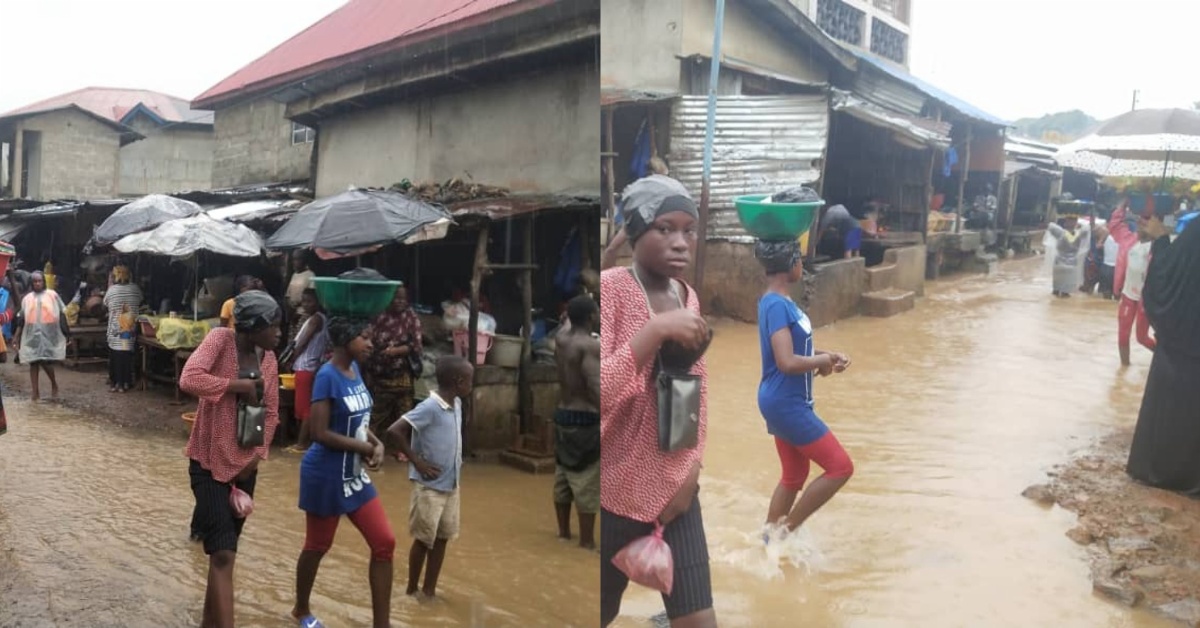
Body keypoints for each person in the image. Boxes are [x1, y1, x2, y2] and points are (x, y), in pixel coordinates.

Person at [600, 175, 715, 628]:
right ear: (634, 231)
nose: (680, 242)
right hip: (614, 491)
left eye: (689, 230)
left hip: (676, 491)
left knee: (699, 620)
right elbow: (601, 391)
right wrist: (655, 332)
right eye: (665, 228)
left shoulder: (688, 296)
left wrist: (693, 470)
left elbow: (699, 391)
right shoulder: (613, 289)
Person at [180, 290, 282, 628]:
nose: (279, 333)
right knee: (222, 553)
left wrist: (259, 453)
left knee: (225, 556)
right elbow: (190, 378)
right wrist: (236, 385)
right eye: (274, 326)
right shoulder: (220, 340)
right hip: (208, 465)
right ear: (252, 327)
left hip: (245, 469)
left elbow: (271, 414)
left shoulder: (269, 358)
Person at [293, 316, 395, 628]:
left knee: (385, 542)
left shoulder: (355, 371)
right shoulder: (326, 376)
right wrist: (364, 449)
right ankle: (301, 610)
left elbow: (362, 421)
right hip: (325, 475)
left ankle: (382, 624)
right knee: (317, 546)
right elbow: (319, 433)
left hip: (353, 476)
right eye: (364, 337)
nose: (370, 343)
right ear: (345, 340)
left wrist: (376, 444)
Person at [754, 240, 854, 539]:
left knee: (795, 475)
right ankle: (785, 534)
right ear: (791, 265)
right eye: (800, 259)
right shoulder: (774, 304)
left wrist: (826, 357)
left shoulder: (782, 303)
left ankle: (768, 541)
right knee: (840, 467)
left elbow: (798, 351)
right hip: (786, 402)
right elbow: (785, 361)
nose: (802, 265)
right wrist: (820, 360)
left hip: (787, 399)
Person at [387, 355, 473, 599]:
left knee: (443, 537)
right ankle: (412, 589)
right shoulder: (430, 407)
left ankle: (430, 590)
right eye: (469, 381)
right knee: (424, 540)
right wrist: (418, 462)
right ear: (458, 381)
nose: (471, 386)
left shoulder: (456, 404)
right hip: (429, 487)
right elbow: (395, 431)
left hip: (451, 484)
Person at [1126, 212, 1200, 493]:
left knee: (1169, 416)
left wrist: (1160, 240)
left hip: (1179, 349)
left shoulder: (1196, 231)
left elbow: (1166, 279)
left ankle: (1161, 472)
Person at [553, 294, 601, 550]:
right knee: (587, 481)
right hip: (586, 417)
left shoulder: (561, 339)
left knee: (562, 477)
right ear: (592, 317)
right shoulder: (589, 346)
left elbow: (566, 323)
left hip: (562, 414)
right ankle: (587, 543)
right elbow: (595, 387)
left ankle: (563, 533)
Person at [366, 284, 423, 461]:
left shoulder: (411, 317)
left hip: (403, 375)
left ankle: (402, 450)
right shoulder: (380, 315)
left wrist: (396, 351)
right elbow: (369, 339)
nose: (399, 302)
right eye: (396, 298)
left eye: (403, 299)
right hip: (381, 375)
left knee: (404, 416)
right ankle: (368, 448)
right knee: (375, 415)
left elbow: (416, 346)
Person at [284, 288, 329, 454]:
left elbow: (301, 343)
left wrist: (290, 359)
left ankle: (302, 444)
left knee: (305, 409)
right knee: (305, 407)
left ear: (318, 302)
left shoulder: (315, 320)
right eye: (304, 301)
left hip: (305, 367)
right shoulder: (317, 318)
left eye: (309, 301)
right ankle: (305, 441)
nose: (305, 304)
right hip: (310, 366)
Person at [13, 271, 68, 401]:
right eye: (35, 282)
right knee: (33, 362)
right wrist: (16, 336)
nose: (37, 284)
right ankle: (35, 392)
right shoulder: (27, 299)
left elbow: (61, 314)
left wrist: (66, 333)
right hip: (31, 334)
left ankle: (54, 384)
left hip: (48, 334)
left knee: (45, 361)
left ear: (43, 282)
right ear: (31, 284)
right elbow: (22, 319)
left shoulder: (52, 295)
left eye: (39, 281)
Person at [103, 265, 143, 393]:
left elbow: (105, 303)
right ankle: (126, 382)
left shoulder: (112, 290)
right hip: (129, 329)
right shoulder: (135, 289)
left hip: (115, 329)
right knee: (126, 355)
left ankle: (116, 383)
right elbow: (140, 300)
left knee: (115, 355)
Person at [1042, 212, 1091, 298]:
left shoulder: (1064, 232)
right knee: (1062, 291)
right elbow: (1089, 228)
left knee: (1059, 291)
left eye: (1073, 221)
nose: (1072, 223)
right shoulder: (1075, 233)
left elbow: (1049, 225)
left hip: (1064, 264)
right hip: (1066, 264)